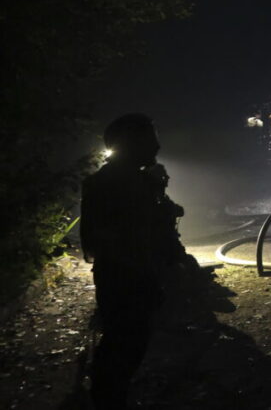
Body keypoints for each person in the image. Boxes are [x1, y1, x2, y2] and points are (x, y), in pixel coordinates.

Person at [80, 113, 175, 409]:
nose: (156, 147)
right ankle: (107, 398)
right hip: (125, 275)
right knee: (125, 343)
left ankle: (109, 395)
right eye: (149, 140)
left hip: (125, 273)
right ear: (130, 144)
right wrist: (144, 276)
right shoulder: (118, 183)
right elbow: (117, 238)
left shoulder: (123, 179)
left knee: (126, 341)